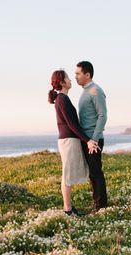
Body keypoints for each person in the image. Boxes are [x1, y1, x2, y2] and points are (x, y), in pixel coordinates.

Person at [48, 69, 100, 216]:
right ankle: (68, 209)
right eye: (68, 78)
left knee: (68, 174)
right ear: (63, 82)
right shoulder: (62, 99)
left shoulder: (63, 98)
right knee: (67, 175)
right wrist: (88, 140)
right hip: (68, 141)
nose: (71, 80)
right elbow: (72, 124)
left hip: (70, 140)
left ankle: (68, 208)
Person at [75, 61, 108, 211]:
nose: (75, 77)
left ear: (87, 75)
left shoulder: (95, 91)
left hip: (93, 140)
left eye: (78, 73)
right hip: (87, 139)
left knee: (96, 172)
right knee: (92, 173)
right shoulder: (85, 91)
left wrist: (94, 139)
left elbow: (103, 116)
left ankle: (101, 206)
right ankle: (97, 202)